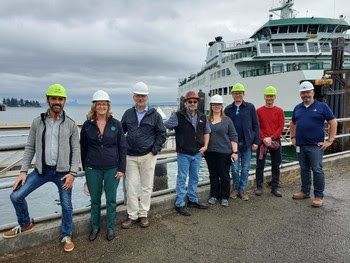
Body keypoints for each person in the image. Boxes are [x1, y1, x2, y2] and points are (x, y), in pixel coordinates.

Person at [3, 84, 80, 252]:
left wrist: (73, 173)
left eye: (60, 99)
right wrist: (23, 172)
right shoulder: (37, 122)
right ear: (48, 100)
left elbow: (76, 150)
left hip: (63, 173)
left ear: (64, 101)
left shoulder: (71, 125)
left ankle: (67, 235)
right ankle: (25, 224)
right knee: (16, 196)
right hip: (41, 171)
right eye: (54, 98)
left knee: (66, 205)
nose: (57, 102)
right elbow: (30, 147)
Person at [80, 90, 127, 241]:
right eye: (99, 104)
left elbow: (122, 148)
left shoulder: (116, 124)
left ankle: (110, 227)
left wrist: (121, 168)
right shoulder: (87, 125)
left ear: (108, 106)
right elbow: (83, 148)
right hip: (92, 167)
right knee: (95, 199)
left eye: (104, 104)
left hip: (112, 167)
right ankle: (95, 227)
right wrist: (85, 168)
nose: (101, 106)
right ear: (94, 106)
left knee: (111, 199)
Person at [121, 82, 167, 229]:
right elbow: (120, 132)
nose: (140, 98)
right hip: (130, 156)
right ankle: (132, 214)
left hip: (148, 155)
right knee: (131, 186)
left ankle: (143, 214)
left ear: (147, 97)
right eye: (138, 95)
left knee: (146, 187)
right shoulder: (128, 113)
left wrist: (155, 150)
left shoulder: (154, 114)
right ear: (134, 97)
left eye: (143, 96)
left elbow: (162, 133)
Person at [290, 81, 337, 207]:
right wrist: (293, 137)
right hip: (300, 145)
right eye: (303, 92)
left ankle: (319, 196)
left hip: (316, 146)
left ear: (313, 93)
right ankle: (305, 191)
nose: (306, 94)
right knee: (304, 169)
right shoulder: (297, 108)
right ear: (300, 94)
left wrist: (330, 140)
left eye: (308, 92)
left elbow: (333, 122)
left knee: (317, 170)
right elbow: (293, 123)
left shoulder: (322, 106)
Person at [165, 91, 210, 216]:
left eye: (195, 101)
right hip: (184, 153)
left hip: (197, 153)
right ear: (185, 103)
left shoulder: (202, 116)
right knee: (182, 178)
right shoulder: (177, 115)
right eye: (190, 101)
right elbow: (166, 125)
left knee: (194, 177)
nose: (192, 103)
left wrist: (205, 146)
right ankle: (179, 203)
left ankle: (192, 199)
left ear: (197, 103)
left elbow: (207, 132)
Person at [224, 83, 260, 201]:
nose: (238, 95)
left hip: (247, 143)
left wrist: (256, 141)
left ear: (243, 94)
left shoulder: (250, 107)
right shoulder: (228, 109)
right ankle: (235, 188)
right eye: (235, 93)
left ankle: (242, 190)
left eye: (240, 93)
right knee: (234, 169)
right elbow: (224, 127)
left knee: (245, 168)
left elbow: (256, 125)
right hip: (233, 145)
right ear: (232, 95)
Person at [205, 95, 238, 207]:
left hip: (224, 152)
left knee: (224, 175)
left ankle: (224, 197)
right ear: (211, 106)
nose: (217, 106)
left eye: (219, 104)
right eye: (214, 104)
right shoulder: (206, 120)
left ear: (222, 106)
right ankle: (214, 195)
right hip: (210, 152)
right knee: (213, 175)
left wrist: (235, 152)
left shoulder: (227, 120)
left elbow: (233, 136)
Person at [255, 86, 285, 197]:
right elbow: (257, 127)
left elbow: (281, 127)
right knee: (260, 165)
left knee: (276, 165)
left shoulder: (280, 111)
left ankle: (274, 187)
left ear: (275, 97)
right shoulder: (258, 111)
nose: (269, 98)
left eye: (271, 96)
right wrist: (264, 138)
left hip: (275, 141)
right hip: (262, 142)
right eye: (267, 96)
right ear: (264, 97)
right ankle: (259, 187)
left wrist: (271, 138)